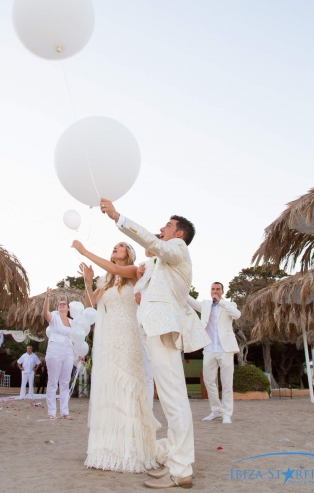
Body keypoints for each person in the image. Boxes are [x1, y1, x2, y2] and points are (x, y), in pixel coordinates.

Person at [98, 198, 210, 490]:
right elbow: (154, 275)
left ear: (180, 234)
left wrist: (118, 217)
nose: (162, 228)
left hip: (163, 332)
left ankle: (181, 469)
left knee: (174, 399)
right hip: (157, 331)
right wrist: (141, 295)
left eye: (168, 226)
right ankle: (175, 460)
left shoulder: (178, 249)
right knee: (172, 399)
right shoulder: (163, 264)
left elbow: (154, 244)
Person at [71, 240, 161, 473]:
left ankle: (132, 448)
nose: (115, 247)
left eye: (120, 246)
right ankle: (108, 448)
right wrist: (90, 281)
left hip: (129, 336)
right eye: (114, 245)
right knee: (110, 388)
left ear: (128, 254)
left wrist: (85, 251)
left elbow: (115, 270)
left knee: (129, 386)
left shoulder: (132, 273)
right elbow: (91, 303)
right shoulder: (106, 280)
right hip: (109, 339)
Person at [188, 282, 241, 424]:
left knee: (227, 382)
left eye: (218, 289)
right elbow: (191, 302)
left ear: (222, 291)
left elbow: (237, 315)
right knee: (209, 381)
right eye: (213, 289)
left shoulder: (230, 305)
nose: (215, 291)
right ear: (210, 291)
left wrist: (221, 303)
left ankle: (227, 413)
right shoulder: (205, 305)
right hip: (209, 349)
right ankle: (216, 411)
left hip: (225, 349)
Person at [133, 238, 161, 408]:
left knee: (154, 369)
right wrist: (139, 275)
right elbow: (140, 289)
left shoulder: (158, 263)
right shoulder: (144, 265)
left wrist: (139, 278)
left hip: (154, 320)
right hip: (141, 319)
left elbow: (142, 287)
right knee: (146, 371)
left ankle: (150, 407)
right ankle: (146, 407)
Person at [43, 291, 75, 419]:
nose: (61, 305)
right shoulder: (54, 318)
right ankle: (52, 412)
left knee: (65, 382)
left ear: (68, 308)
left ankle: (65, 412)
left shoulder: (72, 322)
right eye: (59, 304)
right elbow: (45, 312)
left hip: (68, 351)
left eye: (64, 304)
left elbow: (76, 338)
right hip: (54, 349)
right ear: (57, 308)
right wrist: (47, 297)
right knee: (53, 382)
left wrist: (79, 353)